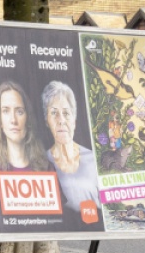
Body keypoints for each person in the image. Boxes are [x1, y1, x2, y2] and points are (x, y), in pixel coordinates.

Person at [41, 80, 102, 229]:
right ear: (47, 120)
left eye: (66, 113)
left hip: (94, 230)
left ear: (74, 120)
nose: (61, 120)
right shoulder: (41, 163)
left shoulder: (94, 160)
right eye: (54, 113)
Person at [0, 81, 51, 173]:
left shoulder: (47, 168)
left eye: (19, 112)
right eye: (6, 111)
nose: (13, 120)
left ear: (27, 118)